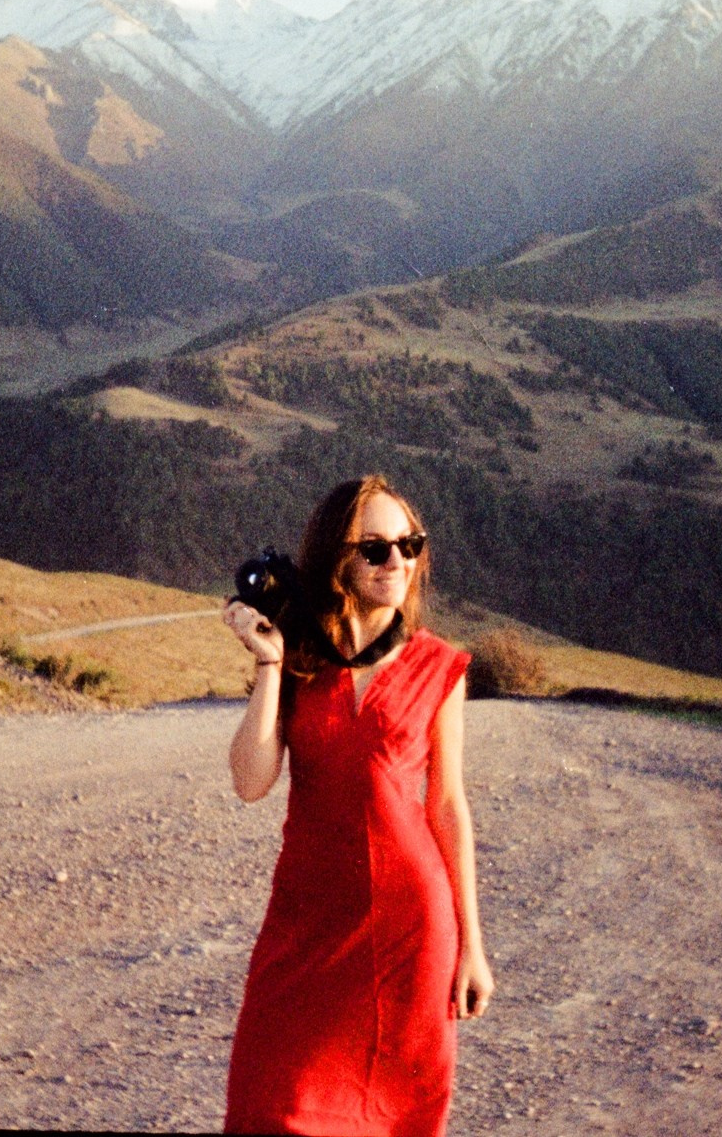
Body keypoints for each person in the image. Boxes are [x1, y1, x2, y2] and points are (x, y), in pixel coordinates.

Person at [220, 475, 495, 1137]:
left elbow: (449, 806)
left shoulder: (439, 665)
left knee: (392, 1115)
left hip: (410, 931)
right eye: (374, 548)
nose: (395, 560)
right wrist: (267, 659)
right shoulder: (298, 659)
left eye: (408, 544)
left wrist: (472, 945)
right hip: (307, 923)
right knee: (271, 1103)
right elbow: (251, 781)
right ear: (335, 559)